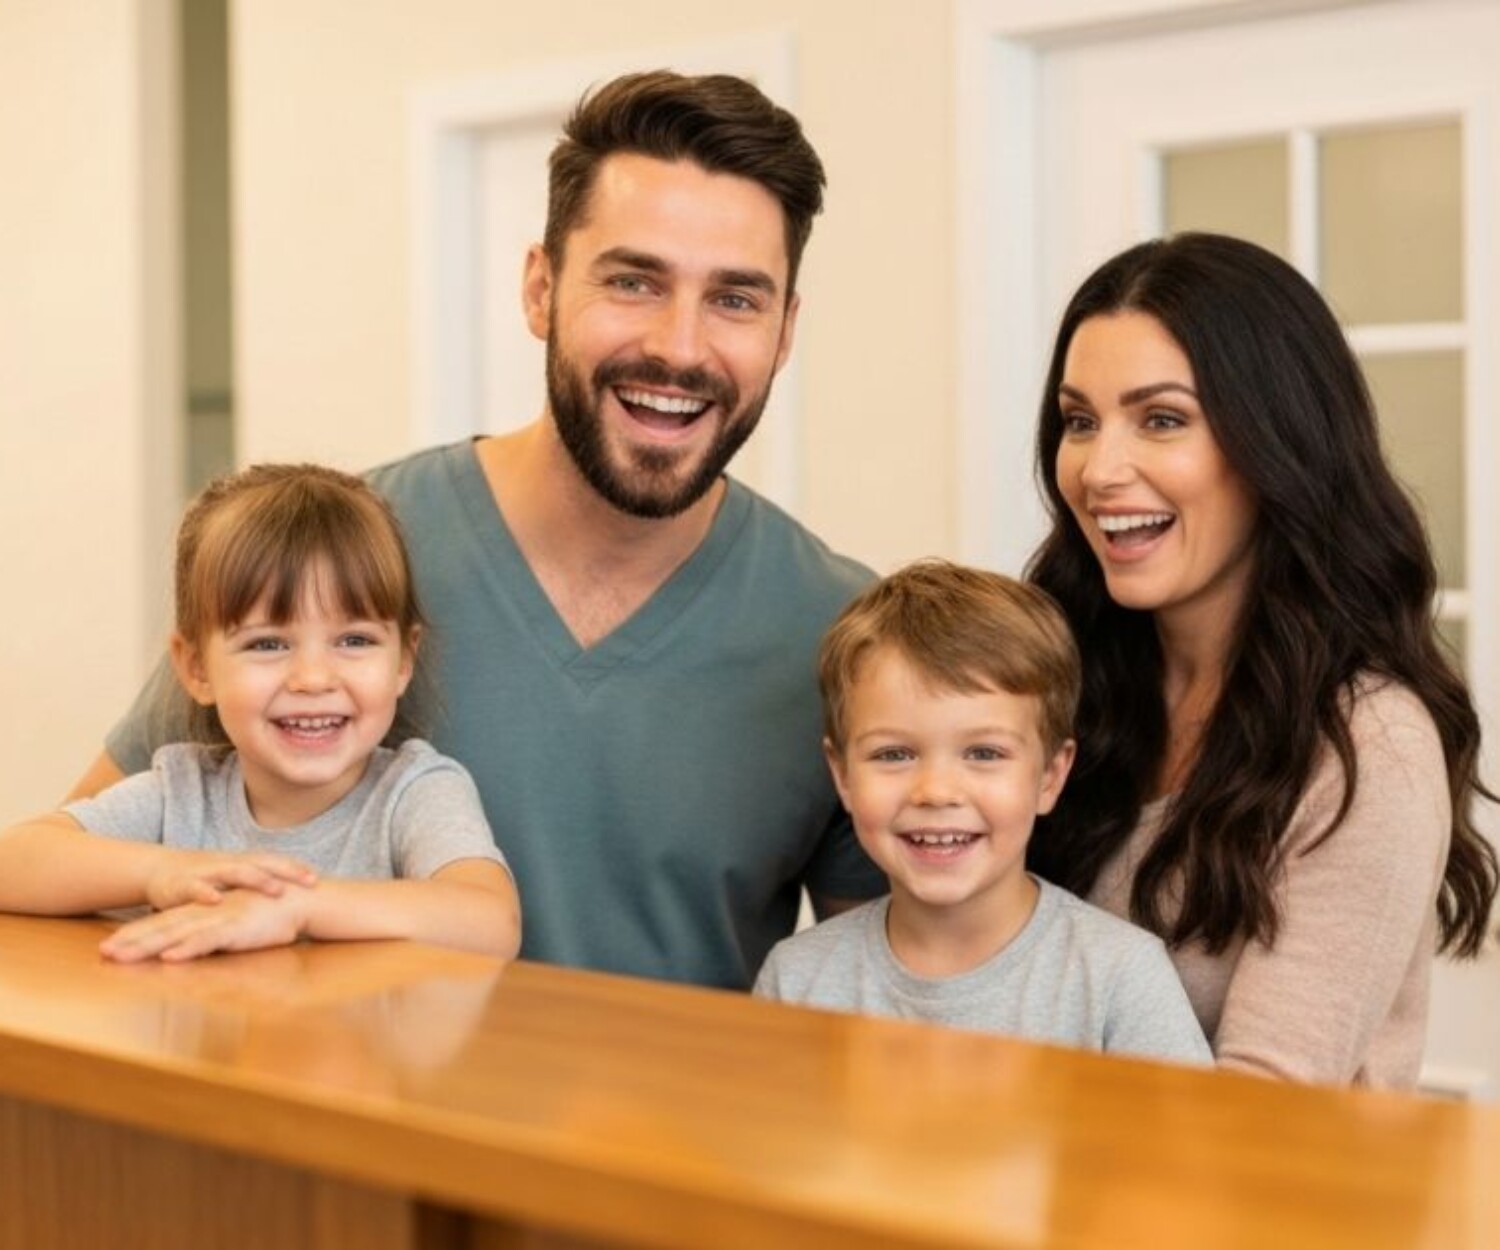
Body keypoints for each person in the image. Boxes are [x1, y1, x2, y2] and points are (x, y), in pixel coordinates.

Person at [70, 72, 884, 988]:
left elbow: (892, 994)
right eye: (632, 281)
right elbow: (73, 893)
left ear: (784, 332)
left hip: (691, 1130)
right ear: (540, 289)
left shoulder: (848, 631)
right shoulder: (337, 558)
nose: (681, 347)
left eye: (736, 299)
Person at [1026, 232, 1498, 1086]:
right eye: (1080, 421)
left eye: (1162, 419)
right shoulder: (1063, 681)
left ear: (1275, 442)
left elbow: (1258, 1111)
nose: (1100, 469)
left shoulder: (1368, 746)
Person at [1, 464, 520, 962]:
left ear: (403, 660)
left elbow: (491, 921)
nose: (313, 679)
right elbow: (13, 862)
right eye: (268, 644)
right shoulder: (180, 793)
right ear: (197, 668)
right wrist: (162, 872)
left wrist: (297, 908)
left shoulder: (415, 792)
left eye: (355, 640)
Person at [755, 561, 1211, 1065]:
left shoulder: (1119, 977)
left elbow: (1188, 1145)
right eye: (894, 755)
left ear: (1049, 777)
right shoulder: (797, 980)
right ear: (842, 776)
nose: (936, 791)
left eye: (984, 754)